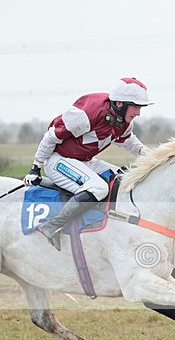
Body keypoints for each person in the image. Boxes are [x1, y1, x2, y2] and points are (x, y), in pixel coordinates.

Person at [25, 77, 154, 250]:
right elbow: (51, 136)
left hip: (83, 162)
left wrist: (154, 156)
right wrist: (36, 167)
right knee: (98, 188)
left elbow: (130, 142)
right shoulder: (86, 114)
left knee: (124, 179)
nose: (138, 113)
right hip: (58, 160)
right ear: (120, 103)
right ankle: (51, 226)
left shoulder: (123, 122)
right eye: (136, 106)